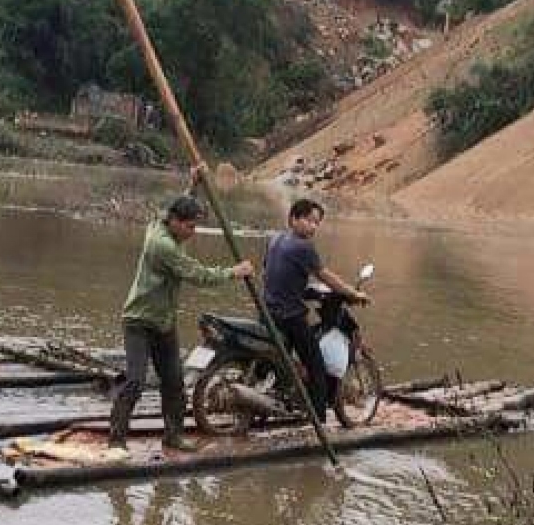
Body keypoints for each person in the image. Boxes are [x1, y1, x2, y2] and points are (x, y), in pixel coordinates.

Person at [109, 183, 253, 454]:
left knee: (174, 382)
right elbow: (199, 275)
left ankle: (172, 437)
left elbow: (180, 204)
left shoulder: (162, 223)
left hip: (164, 321)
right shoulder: (162, 245)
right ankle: (116, 439)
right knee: (135, 380)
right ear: (174, 222)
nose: (192, 233)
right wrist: (234, 272)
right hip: (139, 322)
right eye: (189, 227)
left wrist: (194, 185)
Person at [262, 198, 368, 423]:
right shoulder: (304, 247)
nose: (314, 226)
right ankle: (317, 420)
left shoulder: (276, 239)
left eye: (317, 222)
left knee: (287, 361)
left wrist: (306, 290)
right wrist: (353, 293)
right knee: (317, 366)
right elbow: (327, 277)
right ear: (293, 219)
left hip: (269, 312)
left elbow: (274, 273)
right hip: (289, 317)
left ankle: (286, 395)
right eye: (309, 220)